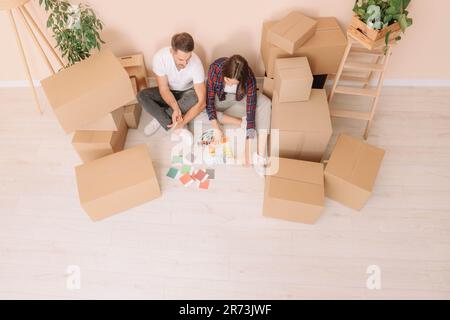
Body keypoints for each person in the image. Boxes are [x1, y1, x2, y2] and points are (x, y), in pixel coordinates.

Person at [205, 55, 272, 173]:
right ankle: (240, 121)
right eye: (227, 80)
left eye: (234, 83)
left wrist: (247, 149)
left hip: (239, 99)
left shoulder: (249, 77)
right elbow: (209, 102)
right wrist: (216, 128)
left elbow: (251, 114)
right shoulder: (215, 68)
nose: (229, 85)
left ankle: (260, 156)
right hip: (220, 99)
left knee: (265, 103)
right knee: (202, 108)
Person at [137, 32, 206, 138]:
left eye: (188, 59)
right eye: (181, 59)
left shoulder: (196, 64)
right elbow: (164, 89)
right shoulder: (160, 58)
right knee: (142, 96)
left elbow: (202, 103)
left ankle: (163, 119)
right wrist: (175, 109)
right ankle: (169, 119)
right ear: (172, 51)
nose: (185, 63)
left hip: (187, 92)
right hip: (168, 91)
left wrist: (182, 123)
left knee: (195, 97)